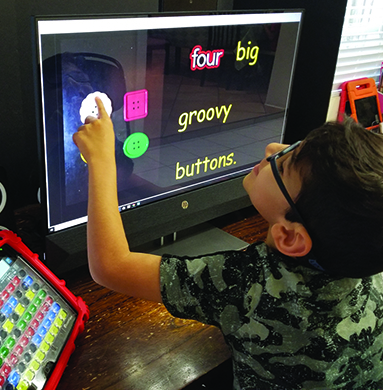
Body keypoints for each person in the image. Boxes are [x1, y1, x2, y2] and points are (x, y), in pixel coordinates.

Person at [72, 97, 383, 389]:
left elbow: (111, 266)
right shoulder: (367, 263)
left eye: (283, 164)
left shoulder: (249, 285)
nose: (272, 148)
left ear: (289, 236)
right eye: (292, 147)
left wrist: (101, 160)